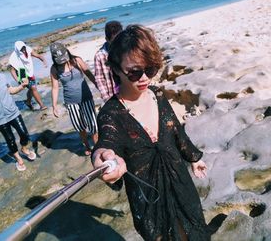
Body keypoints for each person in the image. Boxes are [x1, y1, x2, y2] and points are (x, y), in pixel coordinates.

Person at [92, 25, 210, 240]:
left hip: (179, 180)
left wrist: (193, 158)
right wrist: (101, 157)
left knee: (194, 230)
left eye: (151, 70)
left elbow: (176, 131)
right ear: (117, 69)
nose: (145, 78)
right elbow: (107, 143)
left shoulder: (157, 95)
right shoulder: (110, 114)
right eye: (135, 72)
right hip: (148, 197)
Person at [50, 42, 98, 156]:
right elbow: (55, 87)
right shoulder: (55, 68)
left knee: (93, 125)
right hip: (71, 102)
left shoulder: (77, 60)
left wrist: (98, 85)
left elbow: (89, 73)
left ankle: (97, 146)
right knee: (80, 126)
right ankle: (86, 145)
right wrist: (54, 105)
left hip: (86, 98)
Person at [8, 40, 48, 111]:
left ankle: (28, 102)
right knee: (33, 88)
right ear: (17, 49)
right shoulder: (13, 57)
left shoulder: (28, 49)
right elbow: (12, 70)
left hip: (29, 71)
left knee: (32, 88)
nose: (23, 50)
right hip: (21, 72)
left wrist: (44, 60)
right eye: (21, 49)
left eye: (24, 48)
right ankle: (42, 105)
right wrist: (17, 80)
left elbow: (37, 55)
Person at [94, 20, 123, 102]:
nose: (118, 43)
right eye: (114, 41)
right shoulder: (100, 56)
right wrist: (106, 98)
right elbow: (99, 79)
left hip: (128, 91)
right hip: (112, 95)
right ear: (107, 39)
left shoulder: (125, 49)